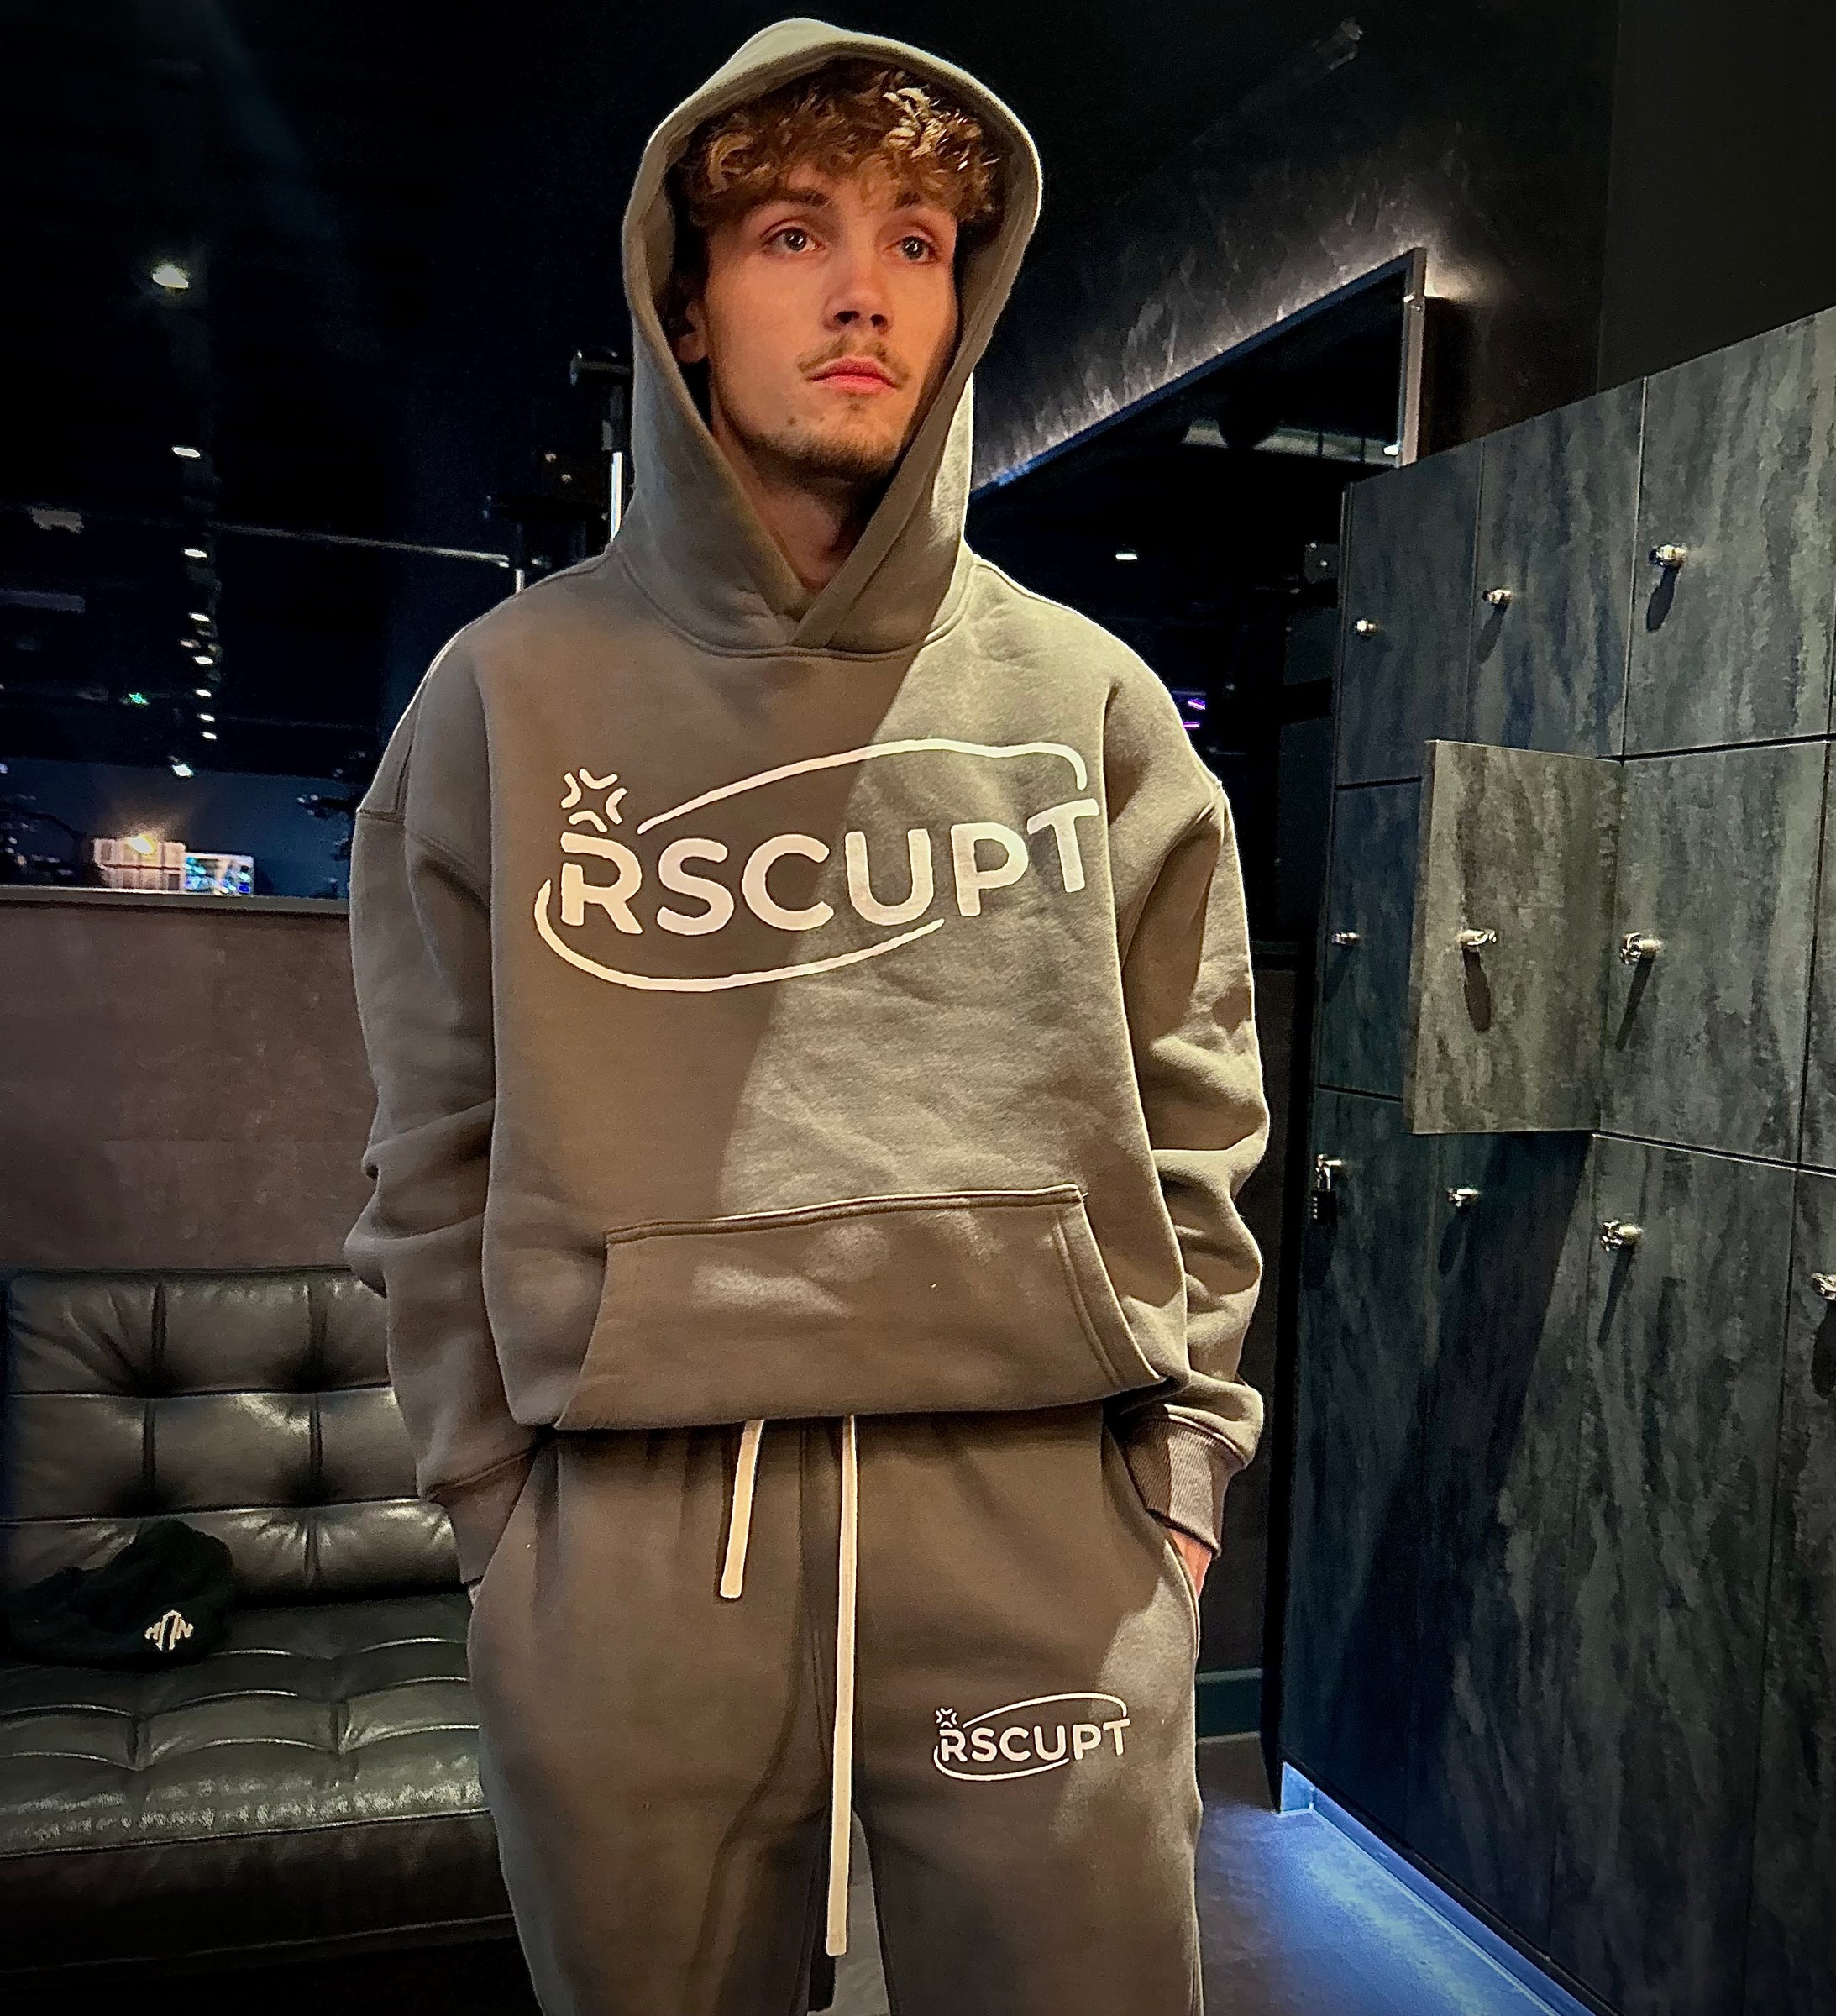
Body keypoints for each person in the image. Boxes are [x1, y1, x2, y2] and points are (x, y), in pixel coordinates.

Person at [344, 18, 1268, 2015]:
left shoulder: (1092, 703)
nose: (866, 291)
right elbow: (433, 1145)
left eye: (919, 241)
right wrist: (497, 1516)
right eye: (794, 233)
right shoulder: (505, 699)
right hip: (629, 1550)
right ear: (682, 305)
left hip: (1044, 1530)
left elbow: (1200, 1116)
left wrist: (1182, 1488)